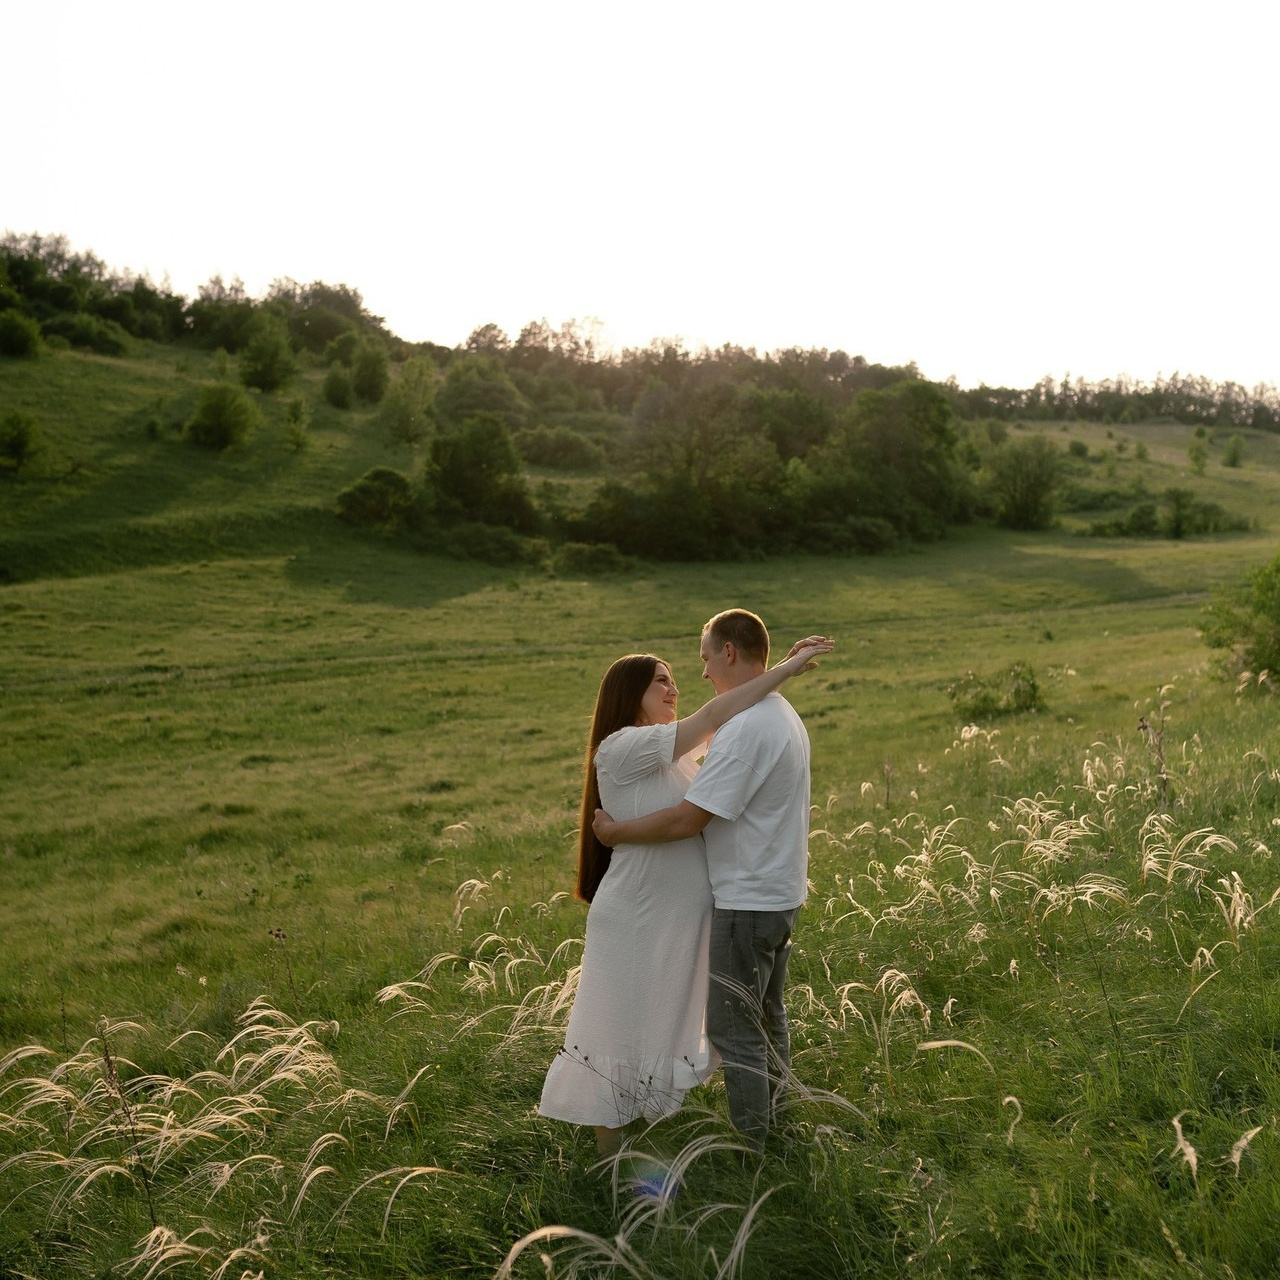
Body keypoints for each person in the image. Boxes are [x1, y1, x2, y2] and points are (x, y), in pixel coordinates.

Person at [539, 633, 832, 1158]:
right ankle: (613, 1159)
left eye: (674, 676)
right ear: (628, 693)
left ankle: (660, 1135)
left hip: (675, 918)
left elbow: (728, 714)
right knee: (618, 1029)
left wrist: (778, 669)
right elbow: (717, 713)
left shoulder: (671, 752)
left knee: (661, 1027)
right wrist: (785, 670)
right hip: (639, 912)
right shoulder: (623, 746)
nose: (675, 686)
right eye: (661, 680)